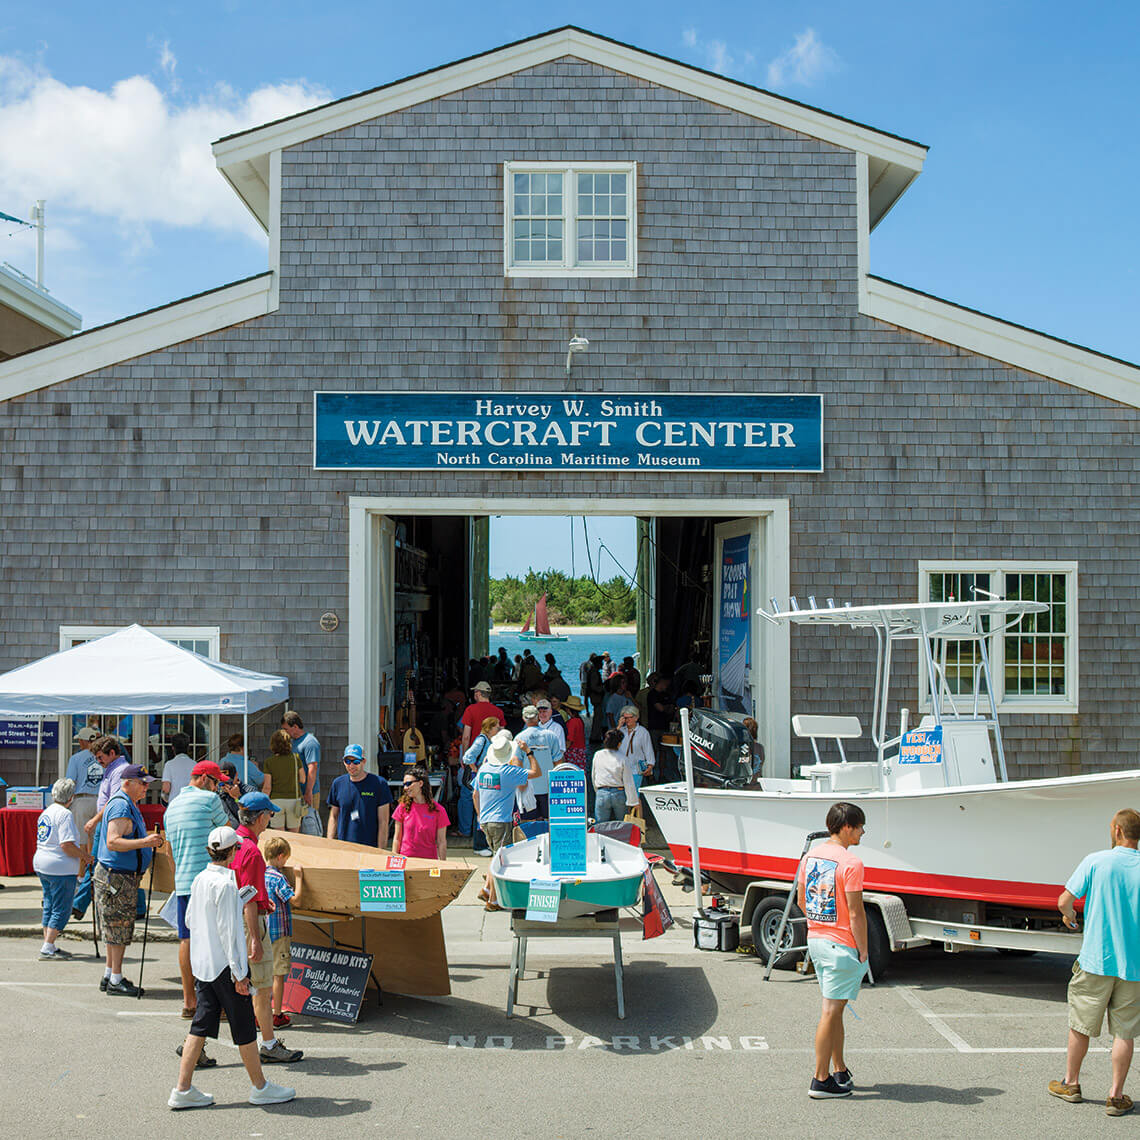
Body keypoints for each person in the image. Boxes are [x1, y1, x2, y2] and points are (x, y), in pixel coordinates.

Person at [169, 825, 295, 1110]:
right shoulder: (226, 884)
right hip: (226, 967)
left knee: (200, 1027)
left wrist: (237, 900)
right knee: (243, 1028)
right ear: (233, 852)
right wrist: (240, 974)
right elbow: (229, 933)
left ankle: (183, 1088)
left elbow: (191, 919)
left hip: (204, 966)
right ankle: (260, 1087)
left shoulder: (201, 879)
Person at [1049, 808, 1140, 1117]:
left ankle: (1071, 1084)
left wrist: (1070, 916)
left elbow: (1064, 900)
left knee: (1081, 1025)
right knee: (1124, 1033)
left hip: (1095, 961)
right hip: (1134, 966)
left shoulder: (1096, 860)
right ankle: (1115, 1096)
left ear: (1117, 831)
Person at [797, 801, 868, 1099]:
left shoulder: (810, 857)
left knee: (835, 1009)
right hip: (841, 944)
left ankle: (838, 1069)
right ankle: (820, 1078)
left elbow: (802, 900)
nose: (863, 832)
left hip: (817, 939)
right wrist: (863, 951)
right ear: (847, 827)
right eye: (861, 826)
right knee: (830, 1011)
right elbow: (856, 912)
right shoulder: (851, 864)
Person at [232, 792, 304, 1065]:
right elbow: (249, 898)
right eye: (269, 815)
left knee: (227, 989)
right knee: (262, 988)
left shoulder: (234, 841)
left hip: (234, 921)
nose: (270, 820)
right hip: (251, 923)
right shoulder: (251, 850)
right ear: (260, 817)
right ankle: (269, 1044)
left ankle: (196, 1043)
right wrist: (255, 939)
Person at [164, 761, 230, 1023]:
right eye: (216, 783)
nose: (218, 789)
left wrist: (179, 873)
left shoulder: (172, 806)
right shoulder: (210, 800)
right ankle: (219, 1003)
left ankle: (189, 1001)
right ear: (204, 779)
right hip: (208, 879)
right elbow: (227, 835)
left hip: (183, 881)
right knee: (217, 941)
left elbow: (169, 851)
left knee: (186, 939)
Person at [94, 764, 164, 996]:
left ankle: (109, 974)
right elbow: (113, 841)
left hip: (117, 875)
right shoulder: (122, 805)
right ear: (128, 783)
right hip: (117, 877)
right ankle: (115, 978)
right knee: (119, 928)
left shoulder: (124, 803)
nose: (146, 788)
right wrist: (145, 843)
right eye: (142, 783)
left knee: (115, 927)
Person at [473, 730, 540, 910]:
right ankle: (493, 901)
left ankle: (487, 889)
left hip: (486, 820)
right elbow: (536, 772)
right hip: (501, 821)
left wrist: (479, 815)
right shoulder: (508, 771)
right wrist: (529, 752)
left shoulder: (484, 769)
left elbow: (474, 794)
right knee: (500, 860)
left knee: (496, 856)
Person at [34, 777, 89, 960]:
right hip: (60, 866)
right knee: (62, 907)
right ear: (71, 797)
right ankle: (47, 946)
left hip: (43, 862)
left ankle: (48, 943)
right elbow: (66, 845)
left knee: (49, 905)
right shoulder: (65, 814)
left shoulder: (47, 811)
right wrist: (84, 856)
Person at [326, 744, 393, 847]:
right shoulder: (338, 783)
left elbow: (383, 821)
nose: (351, 766)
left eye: (356, 762)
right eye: (347, 761)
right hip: (344, 846)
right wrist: (330, 844)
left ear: (364, 761)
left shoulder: (379, 784)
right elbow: (333, 816)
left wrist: (381, 851)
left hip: (370, 847)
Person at [262, 835, 296, 1031]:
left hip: (264, 932)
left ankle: (260, 1012)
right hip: (279, 933)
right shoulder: (278, 877)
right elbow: (294, 899)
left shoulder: (261, 874)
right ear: (281, 856)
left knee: (263, 974)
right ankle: (277, 1014)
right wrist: (298, 879)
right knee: (278, 975)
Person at [392, 765, 449, 859]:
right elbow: (397, 839)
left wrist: (443, 865)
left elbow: (441, 842)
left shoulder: (439, 810)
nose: (406, 788)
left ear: (420, 783)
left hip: (429, 863)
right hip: (406, 861)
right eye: (404, 784)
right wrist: (394, 861)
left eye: (409, 783)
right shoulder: (402, 807)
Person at [513, 705, 561, 818]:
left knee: (529, 824)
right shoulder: (551, 736)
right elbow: (558, 763)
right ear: (538, 717)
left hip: (528, 788)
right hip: (548, 787)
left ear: (524, 719)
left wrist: (520, 785)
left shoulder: (519, 738)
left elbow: (516, 763)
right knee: (549, 821)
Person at [460, 715, 500, 839]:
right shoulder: (481, 740)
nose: (498, 729)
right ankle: (474, 835)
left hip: (481, 776)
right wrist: (476, 770)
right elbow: (467, 757)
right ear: (490, 728)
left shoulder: (489, 740)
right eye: (496, 727)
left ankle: (474, 833)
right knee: (475, 802)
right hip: (475, 777)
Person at [65, 727, 103, 850]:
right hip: (101, 801)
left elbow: (70, 782)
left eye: (80, 740)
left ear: (83, 741)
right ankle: (95, 865)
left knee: (81, 838)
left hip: (82, 800)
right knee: (98, 837)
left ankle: (83, 868)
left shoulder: (75, 758)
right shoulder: (104, 756)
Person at [591, 729, 640, 824]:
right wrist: (633, 801)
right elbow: (628, 781)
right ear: (619, 743)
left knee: (600, 825)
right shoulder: (623, 758)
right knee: (622, 825)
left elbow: (594, 776)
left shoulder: (598, 755)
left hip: (602, 792)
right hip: (619, 793)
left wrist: (598, 790)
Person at [262, 729, 304, 831]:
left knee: (279, 835)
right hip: (294, 800)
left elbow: (267, 787)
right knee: (294, 835)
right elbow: (303, 779)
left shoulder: (269, 762)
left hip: (276, 801)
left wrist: (262, 801)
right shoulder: (295, 758)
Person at [281, 712, 321, 815]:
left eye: (286, 729)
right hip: (295, 793)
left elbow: (312, 768)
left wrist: (308, 792)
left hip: (308, 792)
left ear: (295, 727)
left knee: (308, 825)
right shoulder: (293, 742)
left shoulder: (310, 743)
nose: (284, 732)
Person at [459, 681, 507, 752]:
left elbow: (466, 737)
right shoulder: (498, 711)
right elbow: (502, 734)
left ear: (478, 694)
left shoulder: (470, 710)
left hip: (475, 753)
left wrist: (465, 755)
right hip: (492, 753)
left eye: (475, 692)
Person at [617, 706, 655, 792]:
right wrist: (619, 726)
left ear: (636, 718)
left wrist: (650, 765)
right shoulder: (621, 731)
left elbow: (648, 749)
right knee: (620, 796)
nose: (627, 720)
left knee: (633, 795)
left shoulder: (642, 732)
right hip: (620, 770)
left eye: (630, 717)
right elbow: (611, 743)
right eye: (625, 718)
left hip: (635, 769)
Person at [648, 675, 677, 780]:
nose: (667, 686)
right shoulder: (652, 694)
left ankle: (661, 775)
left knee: (664, 752)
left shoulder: (667, 695)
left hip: (665, 727)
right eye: (666, 684)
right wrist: (667, 707)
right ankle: (650, 774)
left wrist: (667, 708)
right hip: (654, 726)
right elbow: (661, 708)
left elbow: (672, 708)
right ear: (662, 682)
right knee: (653, 752)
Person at [218, 762, 258, 828]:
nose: (224, 786)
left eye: (228, 782)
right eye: (221, 783)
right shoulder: (218, 794)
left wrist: (237, 797)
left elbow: (251, 818)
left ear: (236, 775)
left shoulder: (250, 792)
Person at [162, 733, 196, 802]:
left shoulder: (169, 764)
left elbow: (166, 788)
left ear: (173, 748)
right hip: (191, 803)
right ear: (188, 747)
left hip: (174, 804)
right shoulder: (195, 764)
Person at [561, 696, 588, 773]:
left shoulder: (572, 722)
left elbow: (570, 740)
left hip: (573, 752)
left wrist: (562, 751)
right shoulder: (580, 720)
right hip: (581, 751)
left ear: (568, 709)